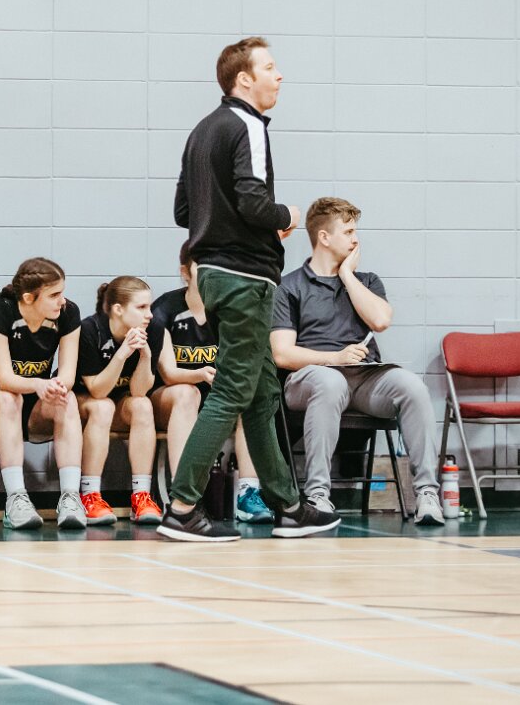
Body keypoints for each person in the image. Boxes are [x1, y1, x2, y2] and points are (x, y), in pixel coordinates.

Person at [161, 35, 339, 542]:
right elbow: (254, 202)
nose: (279, 75)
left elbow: (183, 212)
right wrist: (287, 216)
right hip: (245, 279)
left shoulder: (201, 131)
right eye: (270, 67)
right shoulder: (249, 125)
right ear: (244, 79)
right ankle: (182, 507)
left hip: (213, 275)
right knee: (234, 390)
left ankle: (289, 506)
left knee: (262, 394)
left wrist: (238, 226)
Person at [272, 197, 444, 525]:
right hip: (310, 379)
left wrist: (347, 276)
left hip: (365, 381)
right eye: (348, 232)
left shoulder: (366, 281)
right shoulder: (289, 287)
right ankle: (317, 496)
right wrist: (333, 358)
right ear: (324, 237)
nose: (355, 239)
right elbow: (282, 354)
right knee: (330, 381)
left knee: (412, 386)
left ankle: (426, 494)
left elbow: (380, 320)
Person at [151, 240, 274, 523]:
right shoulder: (165, 309)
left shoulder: (230, 311)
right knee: (187, 394)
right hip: (170, 396)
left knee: (249, 399)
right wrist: (201, 373)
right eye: (204, 268)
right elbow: (168, 373)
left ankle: (248, 494)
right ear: (185, 272)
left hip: (216, 397)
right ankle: (184, 497)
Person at [0, 257, 88, 530]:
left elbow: (68, 375)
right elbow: (4, 379)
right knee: (9, 398)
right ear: (28, 298)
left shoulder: (68, 313)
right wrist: (38, 384)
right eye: (54, 295)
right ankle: (16, 499)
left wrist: (57, 386)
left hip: (37, 400)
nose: (62, 301)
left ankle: (70, 497)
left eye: (62, 292)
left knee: (67, 398)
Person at [75, 276, 166, 525]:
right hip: (83, 403)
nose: (150, 314)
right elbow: (98, 390)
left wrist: (145, 356)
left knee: (143, 406)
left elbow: (139, 391)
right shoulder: (90, 330)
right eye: (141, 307)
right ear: (118, 309)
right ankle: (90, 495)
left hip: (120, 402)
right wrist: (122, 354)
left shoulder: (154, 329)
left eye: (149, 306)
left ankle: (142, 496)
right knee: (102, 407)